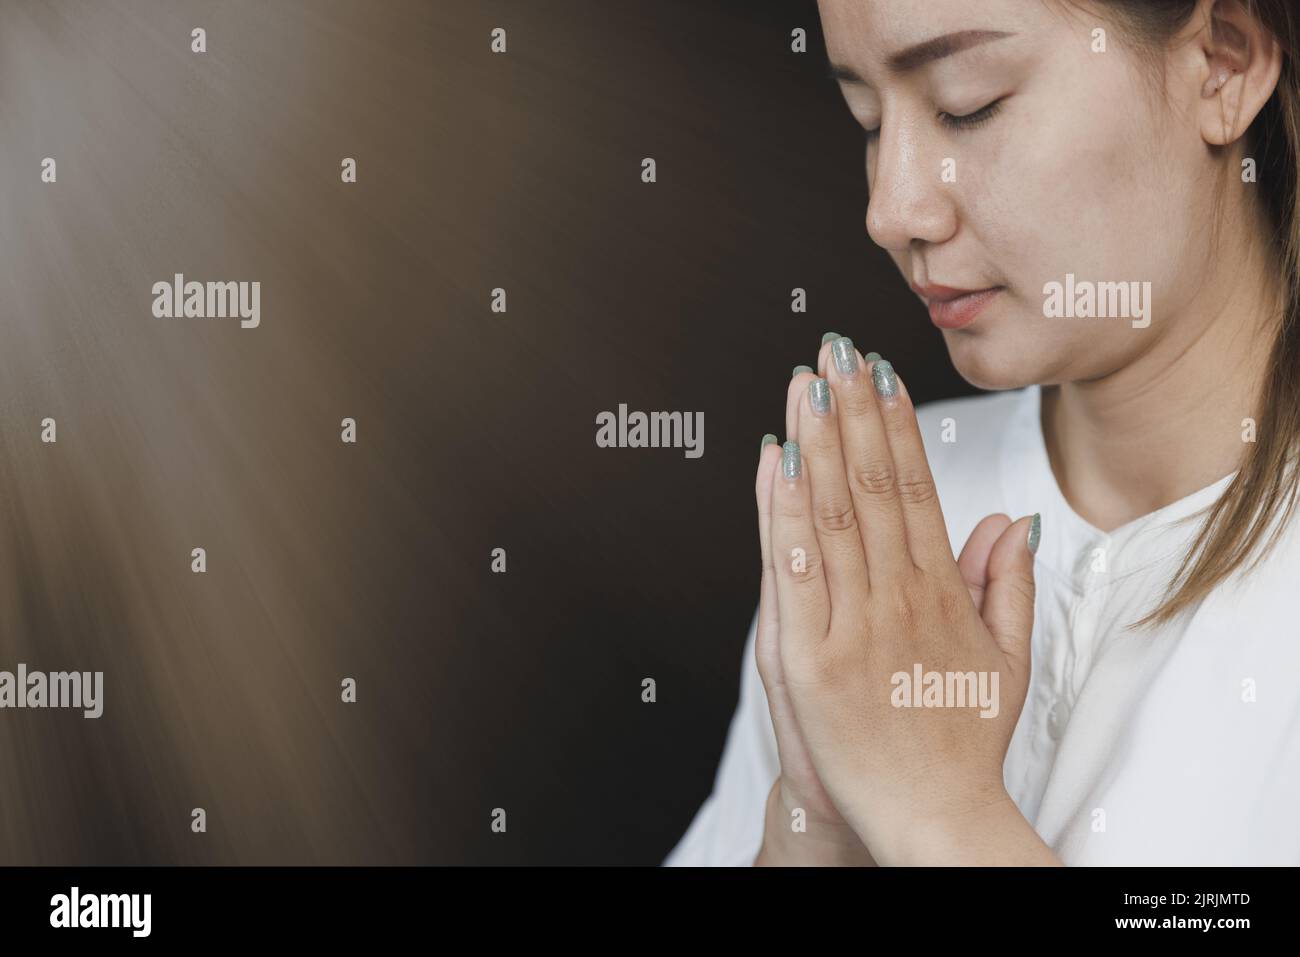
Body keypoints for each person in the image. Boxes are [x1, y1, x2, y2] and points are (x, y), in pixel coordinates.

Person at [667, 0, 1300, 866]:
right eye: (866, 118)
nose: (891, 211)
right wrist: (815, 826)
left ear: (1223, 64)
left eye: (969, 105)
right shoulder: (874, 524)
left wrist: (938, 810)